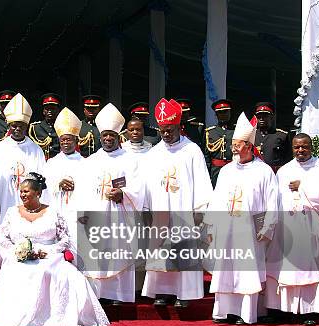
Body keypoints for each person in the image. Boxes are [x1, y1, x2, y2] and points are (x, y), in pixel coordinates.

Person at [0, 173, 110, 326]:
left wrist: (46, 251)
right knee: (16, 272)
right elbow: (1, 237)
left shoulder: (53, 212)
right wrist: (16, 251)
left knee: (60, 273)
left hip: (49, 256)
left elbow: (65, 238)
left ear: (38, 193)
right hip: (19, 257)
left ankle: (53, 317)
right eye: (21, 191)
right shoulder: (12, 212)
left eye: (26, 191)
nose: (22, 194)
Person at [206, 112, 278, 325]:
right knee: (225, 270)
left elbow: (272, 203)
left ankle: (246, 314)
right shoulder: (227, 171)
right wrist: (210, 226)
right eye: (233, 144)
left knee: (247, 272)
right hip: (226, 229)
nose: (233, 148)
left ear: (248, 145)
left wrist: (266, 227)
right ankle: (224, 311)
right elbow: (217, 199)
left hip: (250, 232)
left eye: (237, 144)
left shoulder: (264, 172)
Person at [141, 98, 213, 308]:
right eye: (163, 129)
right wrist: (146, 208)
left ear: (179, 126)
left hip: (183, 210)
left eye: (170, 129)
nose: (166, 133)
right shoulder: (153, 154)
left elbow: (201, 181)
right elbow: (146, 183)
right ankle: (162, 292)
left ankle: (185, 292)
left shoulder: (192, 151)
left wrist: (200, 209)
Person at [0, 93, 45, 312]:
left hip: (29, 211)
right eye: (14, 125)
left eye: (21, 125)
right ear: (9, 126)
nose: (17, 129)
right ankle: (1, 297)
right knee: (2, 251)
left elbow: (40, 183)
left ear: (26, 125)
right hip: (7, 210)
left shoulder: (35, 150)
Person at [79, 103, 145, 304]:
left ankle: (119, 295)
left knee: (119, 251)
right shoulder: (90, 161)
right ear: (100, 136)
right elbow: (83, 191)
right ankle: (100, 293)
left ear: (119, 137)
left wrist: (123, 195)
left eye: (112, 135)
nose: (108, 138)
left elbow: (139, 188)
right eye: (105, 135)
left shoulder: (130, 160)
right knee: (99, 254)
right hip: (98, 216)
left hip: (120, 216)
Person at [266, 133, 319, 326]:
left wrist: (304, 186)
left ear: (311, 147)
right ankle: (283, 310)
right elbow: (275, 200)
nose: (300, 151)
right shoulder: (284, 171)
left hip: (311, 227)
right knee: (285, 269)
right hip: (287, 229)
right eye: (296, 147)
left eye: (304, 147)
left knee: (309, 271)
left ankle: (309, 311)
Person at [43, 107, 84, 256]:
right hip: (57, 211)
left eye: (69, 139)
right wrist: (57, 185)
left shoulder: (86, 163)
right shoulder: (51, 163)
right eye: (63, 140)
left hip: (78, 215)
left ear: (76, 140)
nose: (66, 142)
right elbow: (43, 190)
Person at [253, 102, 290, 172]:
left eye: (265, 116)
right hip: (255, 173)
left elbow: (288, 159)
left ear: (272, 117)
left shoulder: (282, 135)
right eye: (259, 116)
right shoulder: (252, 134)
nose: (261, 119)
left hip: (275, 173)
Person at [206, 99, 235, 187]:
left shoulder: (237, 130)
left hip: (233, 170)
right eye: (220, 112)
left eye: (226, 112)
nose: (223, 115)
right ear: (216, 114)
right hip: (215, 172)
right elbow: (207, 156)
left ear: (230, 113)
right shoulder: (210, 132)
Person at [29, 93, 62, 159]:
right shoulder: (35, 127)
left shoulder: (63, 127)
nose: (50, 111)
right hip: (41, 161)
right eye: (47, 109)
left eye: (53, 108)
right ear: (43, 111)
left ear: (58, 110)